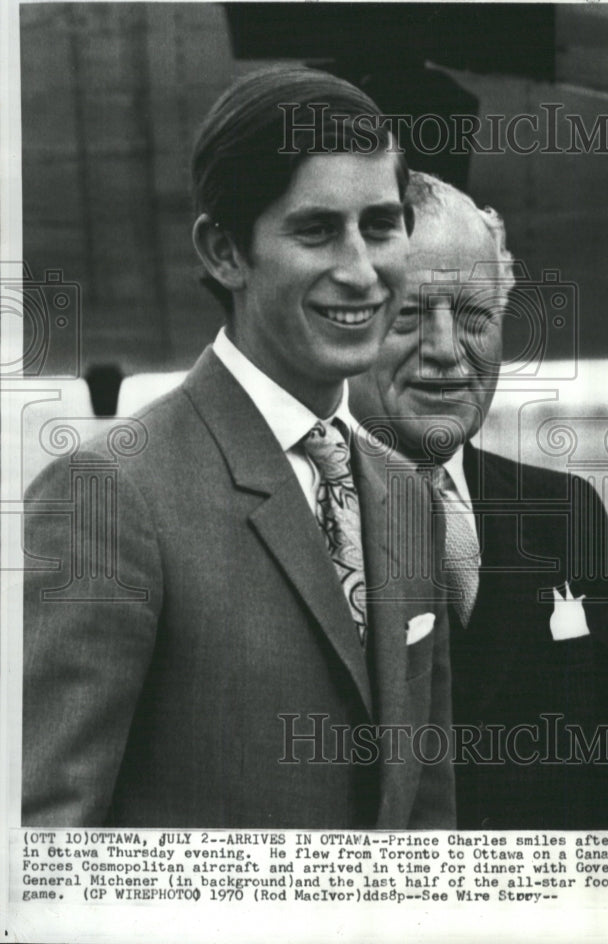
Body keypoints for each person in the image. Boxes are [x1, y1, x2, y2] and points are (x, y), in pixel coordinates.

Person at [22, 66, 454, 829]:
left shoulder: (408, 495)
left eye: (380, 226)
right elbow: (48, 851)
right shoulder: (109, 495)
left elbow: (427, 819)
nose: (360, 271)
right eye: (316, 231)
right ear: (224, 252)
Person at [350, 172, 608, 829]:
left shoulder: (565, 514)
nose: (448, 350)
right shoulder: (288, 514)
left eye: (476, 316)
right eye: (408, 315)